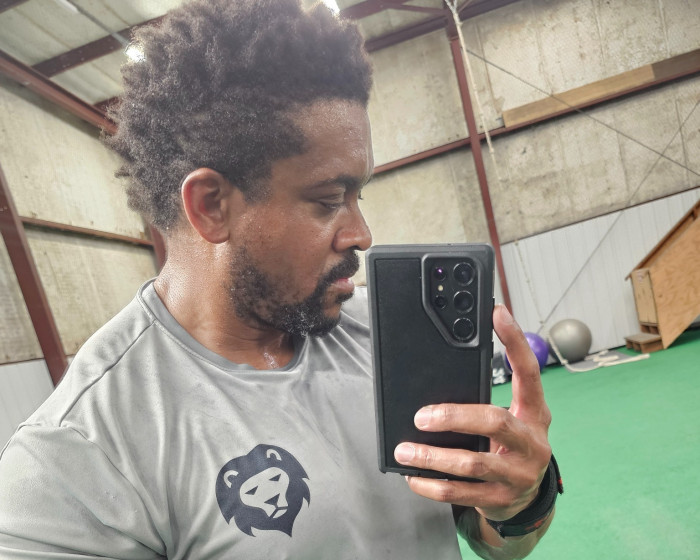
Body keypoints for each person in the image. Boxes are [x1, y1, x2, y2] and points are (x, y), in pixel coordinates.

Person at [0, 1, 560, 558]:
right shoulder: (75, 456)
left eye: (358, 197)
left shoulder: (388, 336)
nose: (361, 235)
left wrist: (519, 504)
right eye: (328, 200)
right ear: (211, 206)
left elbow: (494, 541)